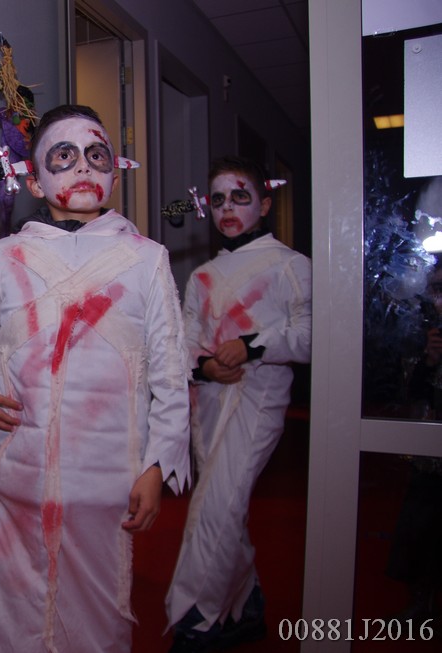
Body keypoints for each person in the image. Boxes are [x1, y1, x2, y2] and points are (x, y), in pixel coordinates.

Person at [0, 104, 191, 652]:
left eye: (97, 155)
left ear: (115, 174)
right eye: (64, 155)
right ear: (35, 180)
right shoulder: (6, 256)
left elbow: (171, 376)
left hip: (102, 489)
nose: (83, 166)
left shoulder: (147, 260)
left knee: (91, 629)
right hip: (12, 480)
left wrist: (158, 465)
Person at [164, 155, 312, 652]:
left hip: (258, 399)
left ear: (264, 205)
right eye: (219, 199)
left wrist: (252, 345)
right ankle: (247, 604)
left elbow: (312, 335)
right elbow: (186, 342)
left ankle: (195, 622)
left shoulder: (291, 265)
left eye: (240, 197)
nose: (228, 208)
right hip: (207, 402)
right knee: (224, 506)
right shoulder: (202, 276)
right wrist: (204, 366)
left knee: (214, 507)